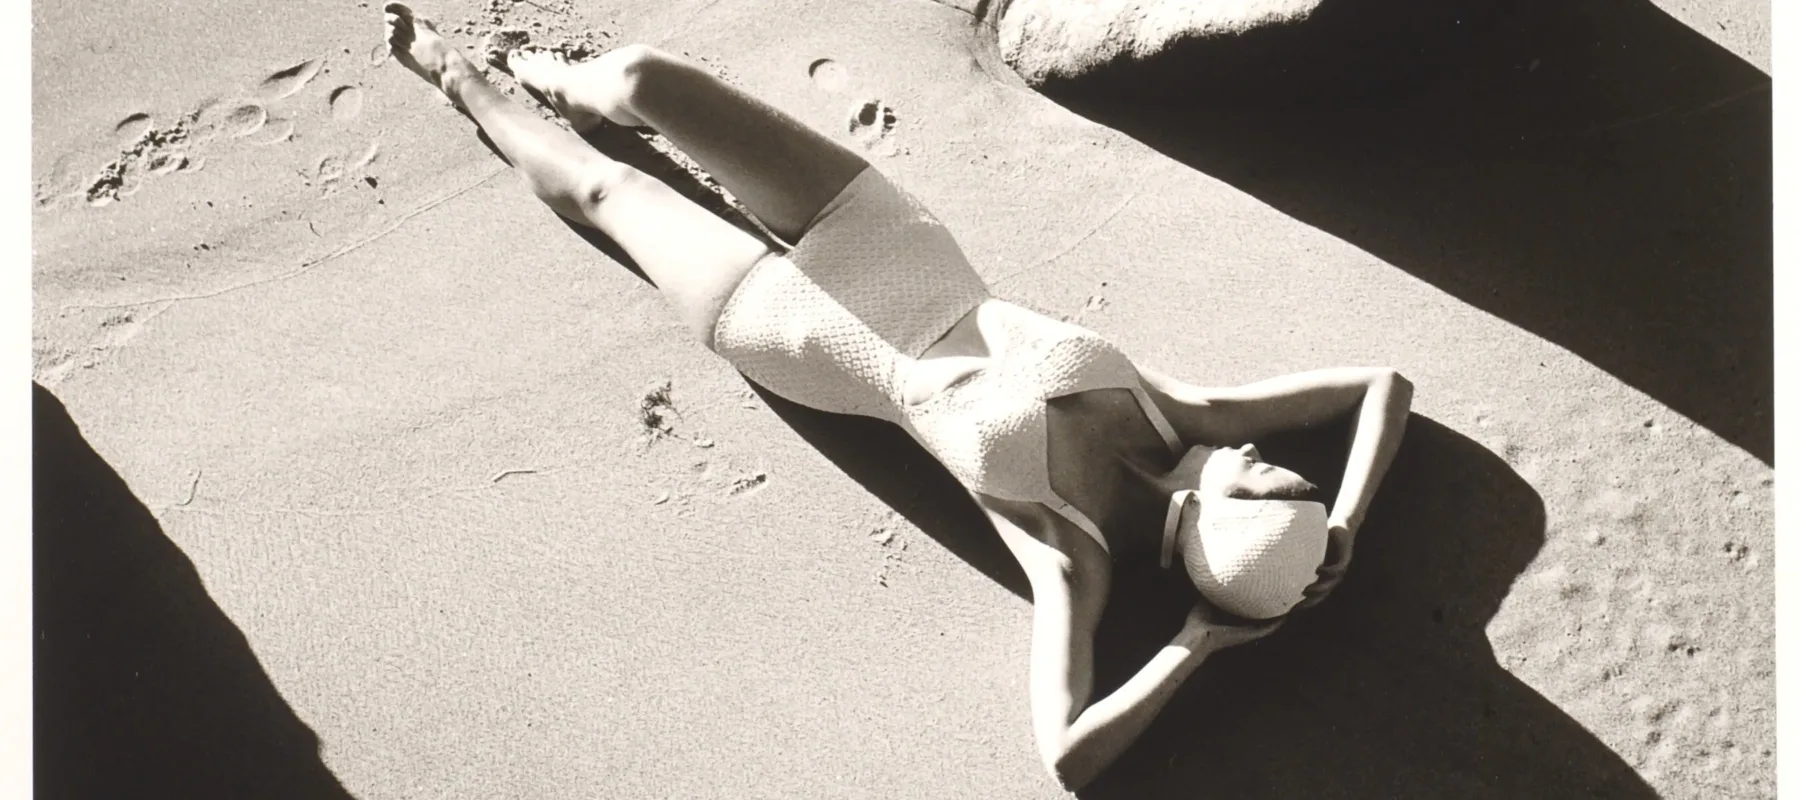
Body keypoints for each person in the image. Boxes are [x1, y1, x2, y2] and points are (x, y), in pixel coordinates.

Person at [383, 5, 1413, 789]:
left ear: (1226, 526)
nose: (1277, 458)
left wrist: (1200, 641)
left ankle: (463, 79)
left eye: (1277, 479)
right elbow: (1381, 387)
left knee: (610, 194)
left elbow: (1068, 756)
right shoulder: (1184, 414)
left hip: (797, 334)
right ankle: (559, 73)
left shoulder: (1072, 556)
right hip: (891, 239)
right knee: (648, 78)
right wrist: (1348, 521)